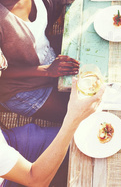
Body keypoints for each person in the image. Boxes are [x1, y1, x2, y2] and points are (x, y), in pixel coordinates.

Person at [0, 0, 121, 122]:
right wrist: (47, 71)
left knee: (108, 80)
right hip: (21, 88)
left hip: (50, 60)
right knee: (83, 116)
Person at [0, 49, 105, 187]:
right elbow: (35, 180)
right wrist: (72, 119)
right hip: (10, 178)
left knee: (84, 139)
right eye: (1, 66)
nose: (4, 67)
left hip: (7, 142)